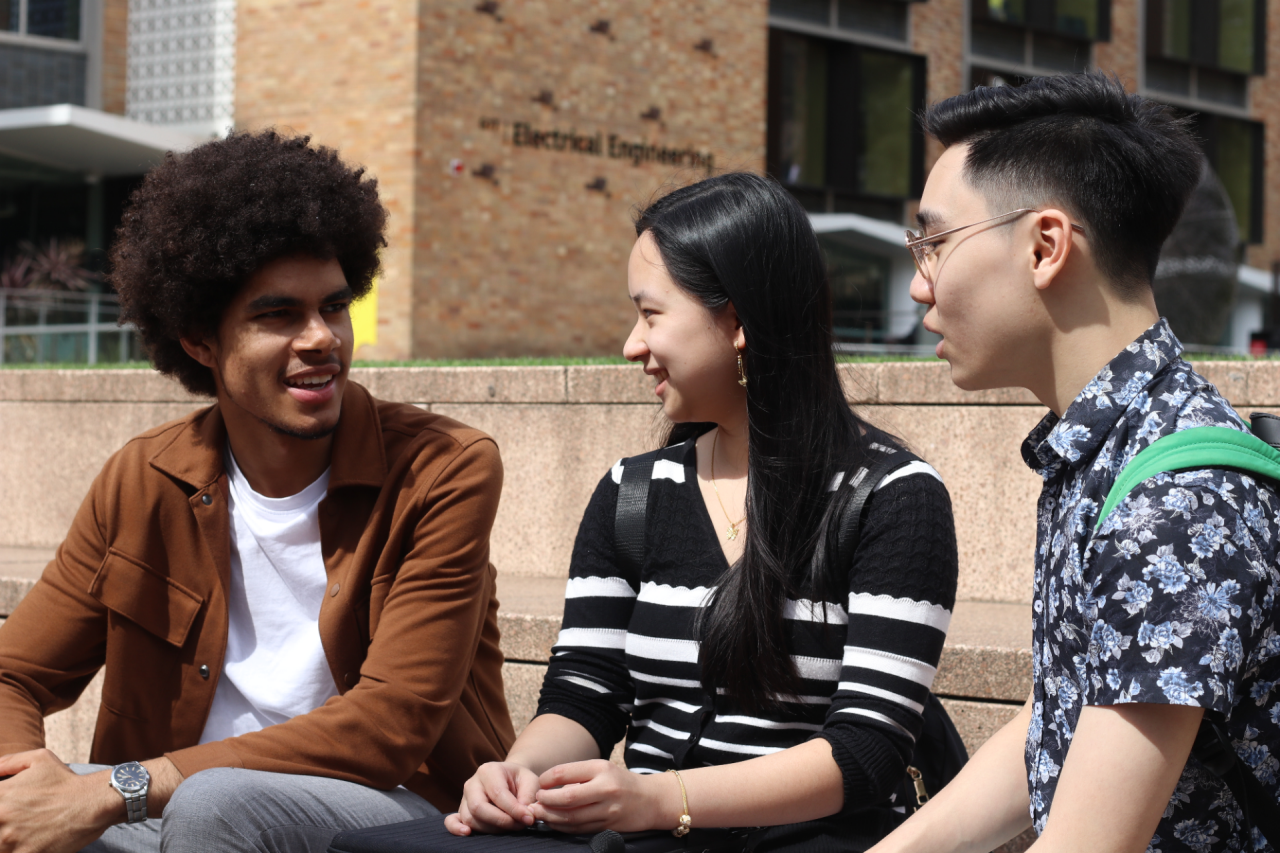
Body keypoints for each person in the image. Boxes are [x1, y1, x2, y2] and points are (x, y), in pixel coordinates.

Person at [0, 131, 514, 853]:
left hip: (394, 815)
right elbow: (14, 671)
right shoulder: (144, 479)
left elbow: (390, 724)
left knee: (216, 805)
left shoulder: (443, 469)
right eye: (278, 315)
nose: (320, 339)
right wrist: (26, 788)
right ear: (199, 341)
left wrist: (115, 790)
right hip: (166, 809)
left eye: (334, 307)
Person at [445, 173, 959, 850]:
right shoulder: (634, 493)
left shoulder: (892, 495)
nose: (632, 344)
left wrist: (662, 797)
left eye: (651, 314)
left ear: (738, 321)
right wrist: (515, 773)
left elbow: (866, 750)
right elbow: (585, 695)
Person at [868, 73, 1280, 853]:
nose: (921, 284)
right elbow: (1059, 719)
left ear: (1046, 246)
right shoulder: (1104, 449)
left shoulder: (1175, 502)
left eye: (934, 241)